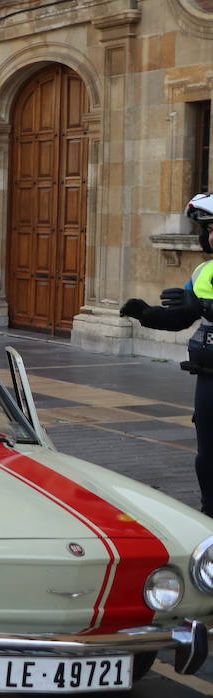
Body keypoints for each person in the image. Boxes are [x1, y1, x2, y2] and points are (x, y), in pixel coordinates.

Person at [121, 192, 213, 517]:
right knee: (208, 458)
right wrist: (147, 314)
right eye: (211, 229)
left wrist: (202, 306)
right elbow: (182, 318)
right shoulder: (204, 272)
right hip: (209, 380)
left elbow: (199, 308)